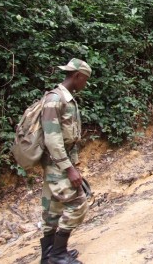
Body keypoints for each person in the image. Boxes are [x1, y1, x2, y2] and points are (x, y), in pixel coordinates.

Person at [40, 58, 92, 264]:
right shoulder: (56, 99)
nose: (85, 85)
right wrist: (69, 169)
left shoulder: (65, 97)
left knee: (52, 209)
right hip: (57, 163)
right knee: (78, 204)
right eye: (85, 80)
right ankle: (58, 254)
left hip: (58, 161)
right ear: (77, 76)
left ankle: (48, 255)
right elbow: (52, 139)